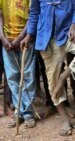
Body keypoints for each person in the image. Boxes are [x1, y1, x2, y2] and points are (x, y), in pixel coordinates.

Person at [21, 0, 75, 136]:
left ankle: (63, 78)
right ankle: (65, 120)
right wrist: (29, 35)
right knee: (52, 83)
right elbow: (34, 14)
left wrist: (74, 26)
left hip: (67, 35)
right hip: (46, 39)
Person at [0, 0, 37, 128]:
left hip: (26, 41)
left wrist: (20, 38)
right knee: (12, 78)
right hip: (7, 42)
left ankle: (27, 113)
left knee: (28, 76)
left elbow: (33, 15)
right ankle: (19, 112)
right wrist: (2, 37)